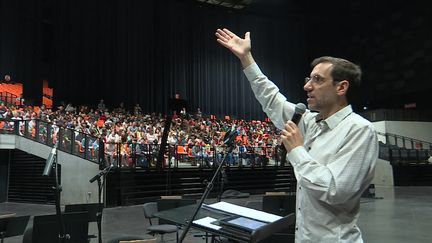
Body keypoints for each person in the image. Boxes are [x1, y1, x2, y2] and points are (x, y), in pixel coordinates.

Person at [216, 28, 378, 242]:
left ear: (341, 87)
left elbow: (335, 191)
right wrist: (246, 58)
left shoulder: (359, 130)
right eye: (308, 78)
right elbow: (272, 99)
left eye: (317, 80)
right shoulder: (310, 121)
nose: (307, 86)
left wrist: (297, 150)